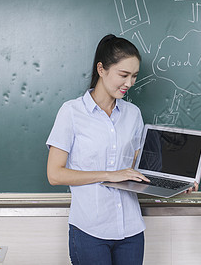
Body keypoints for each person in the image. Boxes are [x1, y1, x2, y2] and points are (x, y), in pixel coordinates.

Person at [45, 34, 150, 265]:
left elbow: (137, 170)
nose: (129, 83)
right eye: (123, 75)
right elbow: (55, 174)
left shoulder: (133, 115)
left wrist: (173, 184)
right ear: (101, 69)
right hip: (89, 231)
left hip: (131, 230)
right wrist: (109, 175)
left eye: (134, 76)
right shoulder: (71, 112)